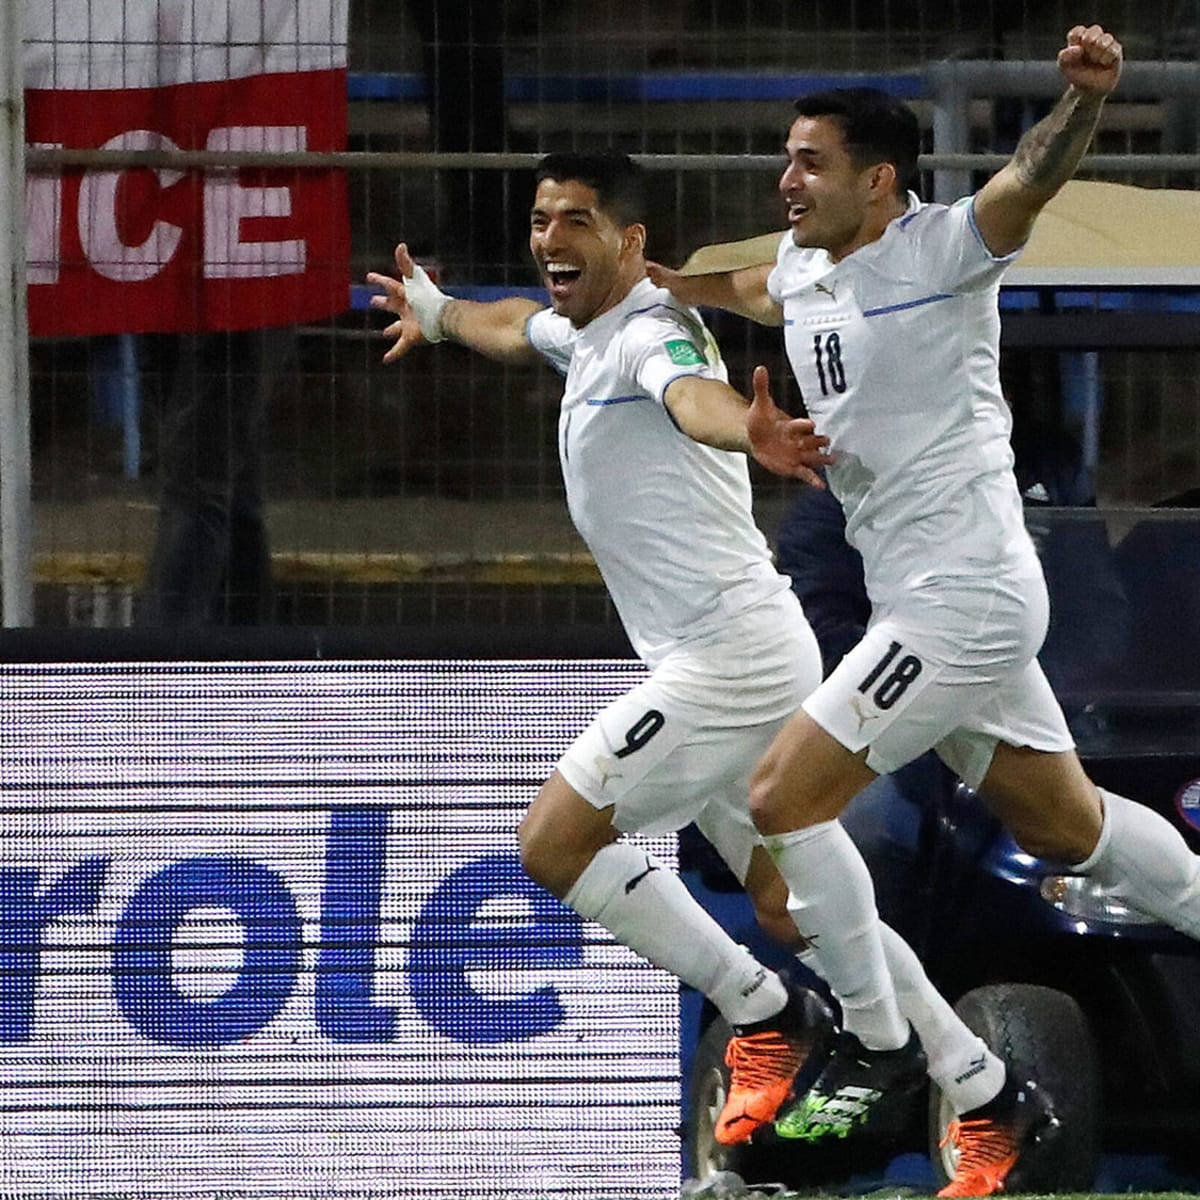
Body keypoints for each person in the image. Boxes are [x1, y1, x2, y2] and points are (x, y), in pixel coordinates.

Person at [367, 151, 1015, 1158]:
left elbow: (688, 397)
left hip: (728, 661)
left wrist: (743, 430)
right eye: (541, 220)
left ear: (630, 243)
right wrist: (441, 309)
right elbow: (509, 326)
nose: (550, 240)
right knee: (794, 908)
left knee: (552, 844)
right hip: (747, 645)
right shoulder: (582, 336)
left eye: (575, 221)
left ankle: (759, 1012)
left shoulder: (650, 335)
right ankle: (981, 1087)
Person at [648, 24, 1200, 1197]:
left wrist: (1084, 102)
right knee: (1070, 828)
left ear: (878, 181)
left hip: (962, 600)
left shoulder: (945, 250)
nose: (785, 179)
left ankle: (880, 1050)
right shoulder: (805, 270)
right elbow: (753, 291)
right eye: (785, 159)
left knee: (779, 799)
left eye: (808, 162)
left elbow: (1029, 180)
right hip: (939, 604)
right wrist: (663, 289)